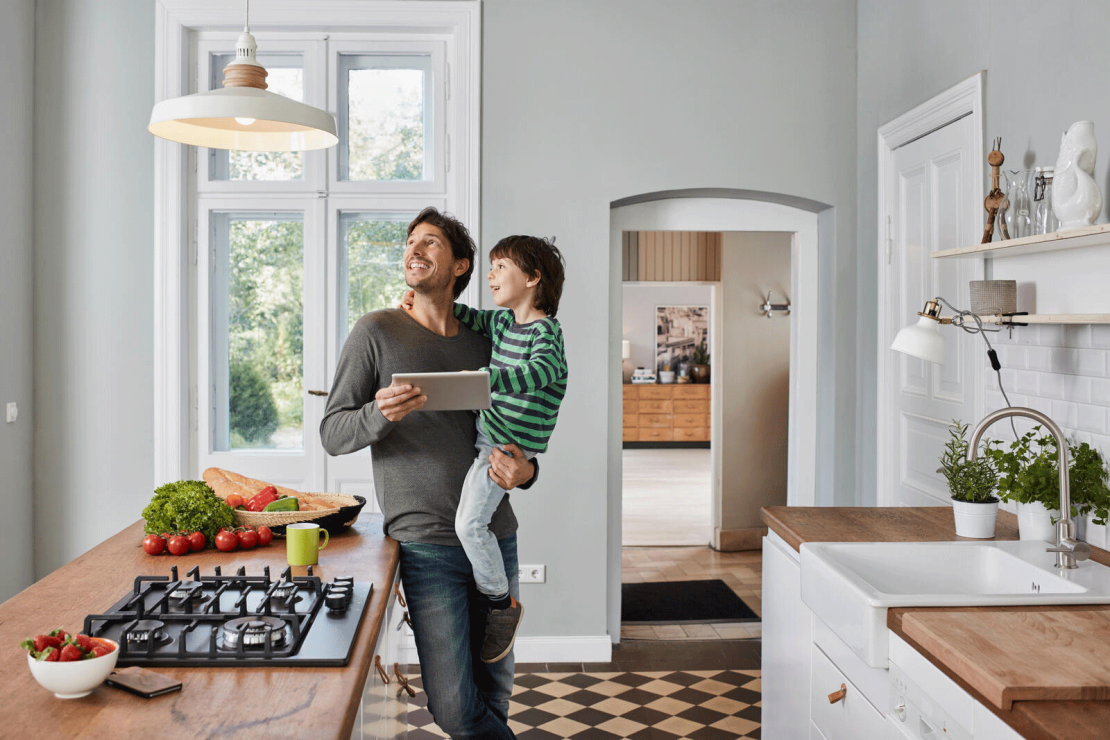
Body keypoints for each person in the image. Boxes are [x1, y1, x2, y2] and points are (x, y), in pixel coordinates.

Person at [320, 207, 537, 740]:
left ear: (461, 265)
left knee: (494, 696)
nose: (415, 249)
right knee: (456, 709)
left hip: (494, 535)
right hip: (424, 548)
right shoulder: (376, 330)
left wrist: (527, 472)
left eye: (432, 242)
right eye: (410, 241)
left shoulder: (488, 339)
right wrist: (380, 413)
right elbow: (333, 433)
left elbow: (520, 425)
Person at [401, 235, 567, 664]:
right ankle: (494, 599)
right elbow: (466, 314)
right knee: (471, 525)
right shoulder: (502, 324)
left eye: (500, 267)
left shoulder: (546, 333)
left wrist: (485, 381)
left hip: (499, 451)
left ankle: (499, 604)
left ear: (532, 278)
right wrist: (416, 303)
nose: (490, 275)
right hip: (490, 441)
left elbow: (542, 372)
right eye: (490, 267)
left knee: (469, 527)